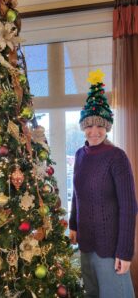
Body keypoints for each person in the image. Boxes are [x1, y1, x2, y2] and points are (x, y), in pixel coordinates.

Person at [69, 69, 137, 298]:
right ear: (83, 127)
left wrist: (125, 252)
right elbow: (77, 195)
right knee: (91, 294)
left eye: (100, 126)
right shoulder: (80, 154)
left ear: (107, 126)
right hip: (85, 243)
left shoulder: (116, 157)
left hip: (110, 248)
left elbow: (129, 207)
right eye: (89, 125)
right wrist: (73, 225)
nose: (94, 131)